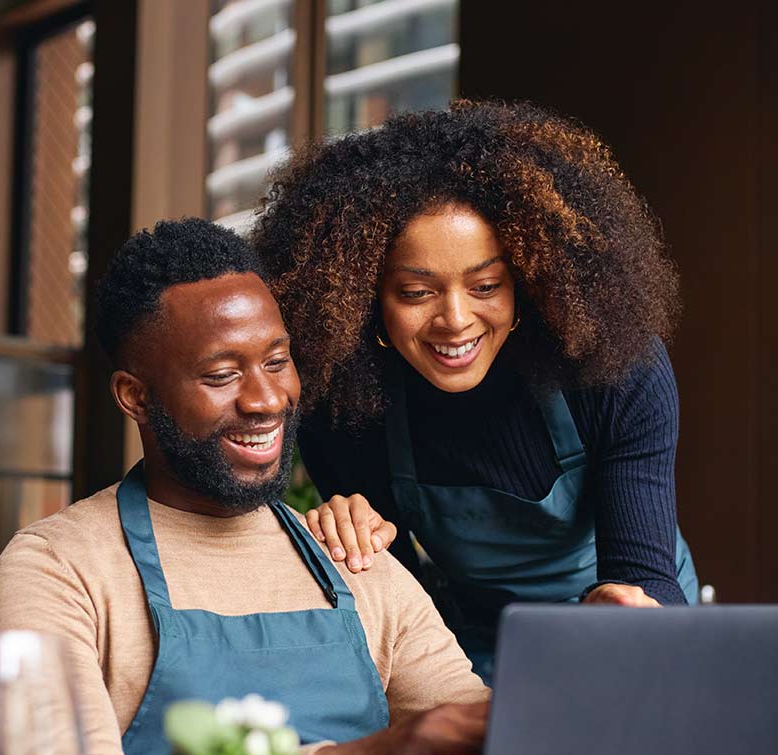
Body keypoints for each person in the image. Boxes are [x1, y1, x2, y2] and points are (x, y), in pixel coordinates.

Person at [0, 218, 489, 755]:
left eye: (277, 361)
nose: (266, 399)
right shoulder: (56, 568)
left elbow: (471, 737)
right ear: (136, 397)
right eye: (223, 374)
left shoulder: (353, 554)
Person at [253, 99, 698, 682]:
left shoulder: (613, 368)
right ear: (364, 301)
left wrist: (627, 610)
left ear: (528, 282)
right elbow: (402, 606)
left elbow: (646, 573)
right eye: (416, 293)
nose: (456, 320)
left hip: (627, 626)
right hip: (475, 644)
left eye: (486, 284)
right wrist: (352, 542)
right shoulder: (344, 405)